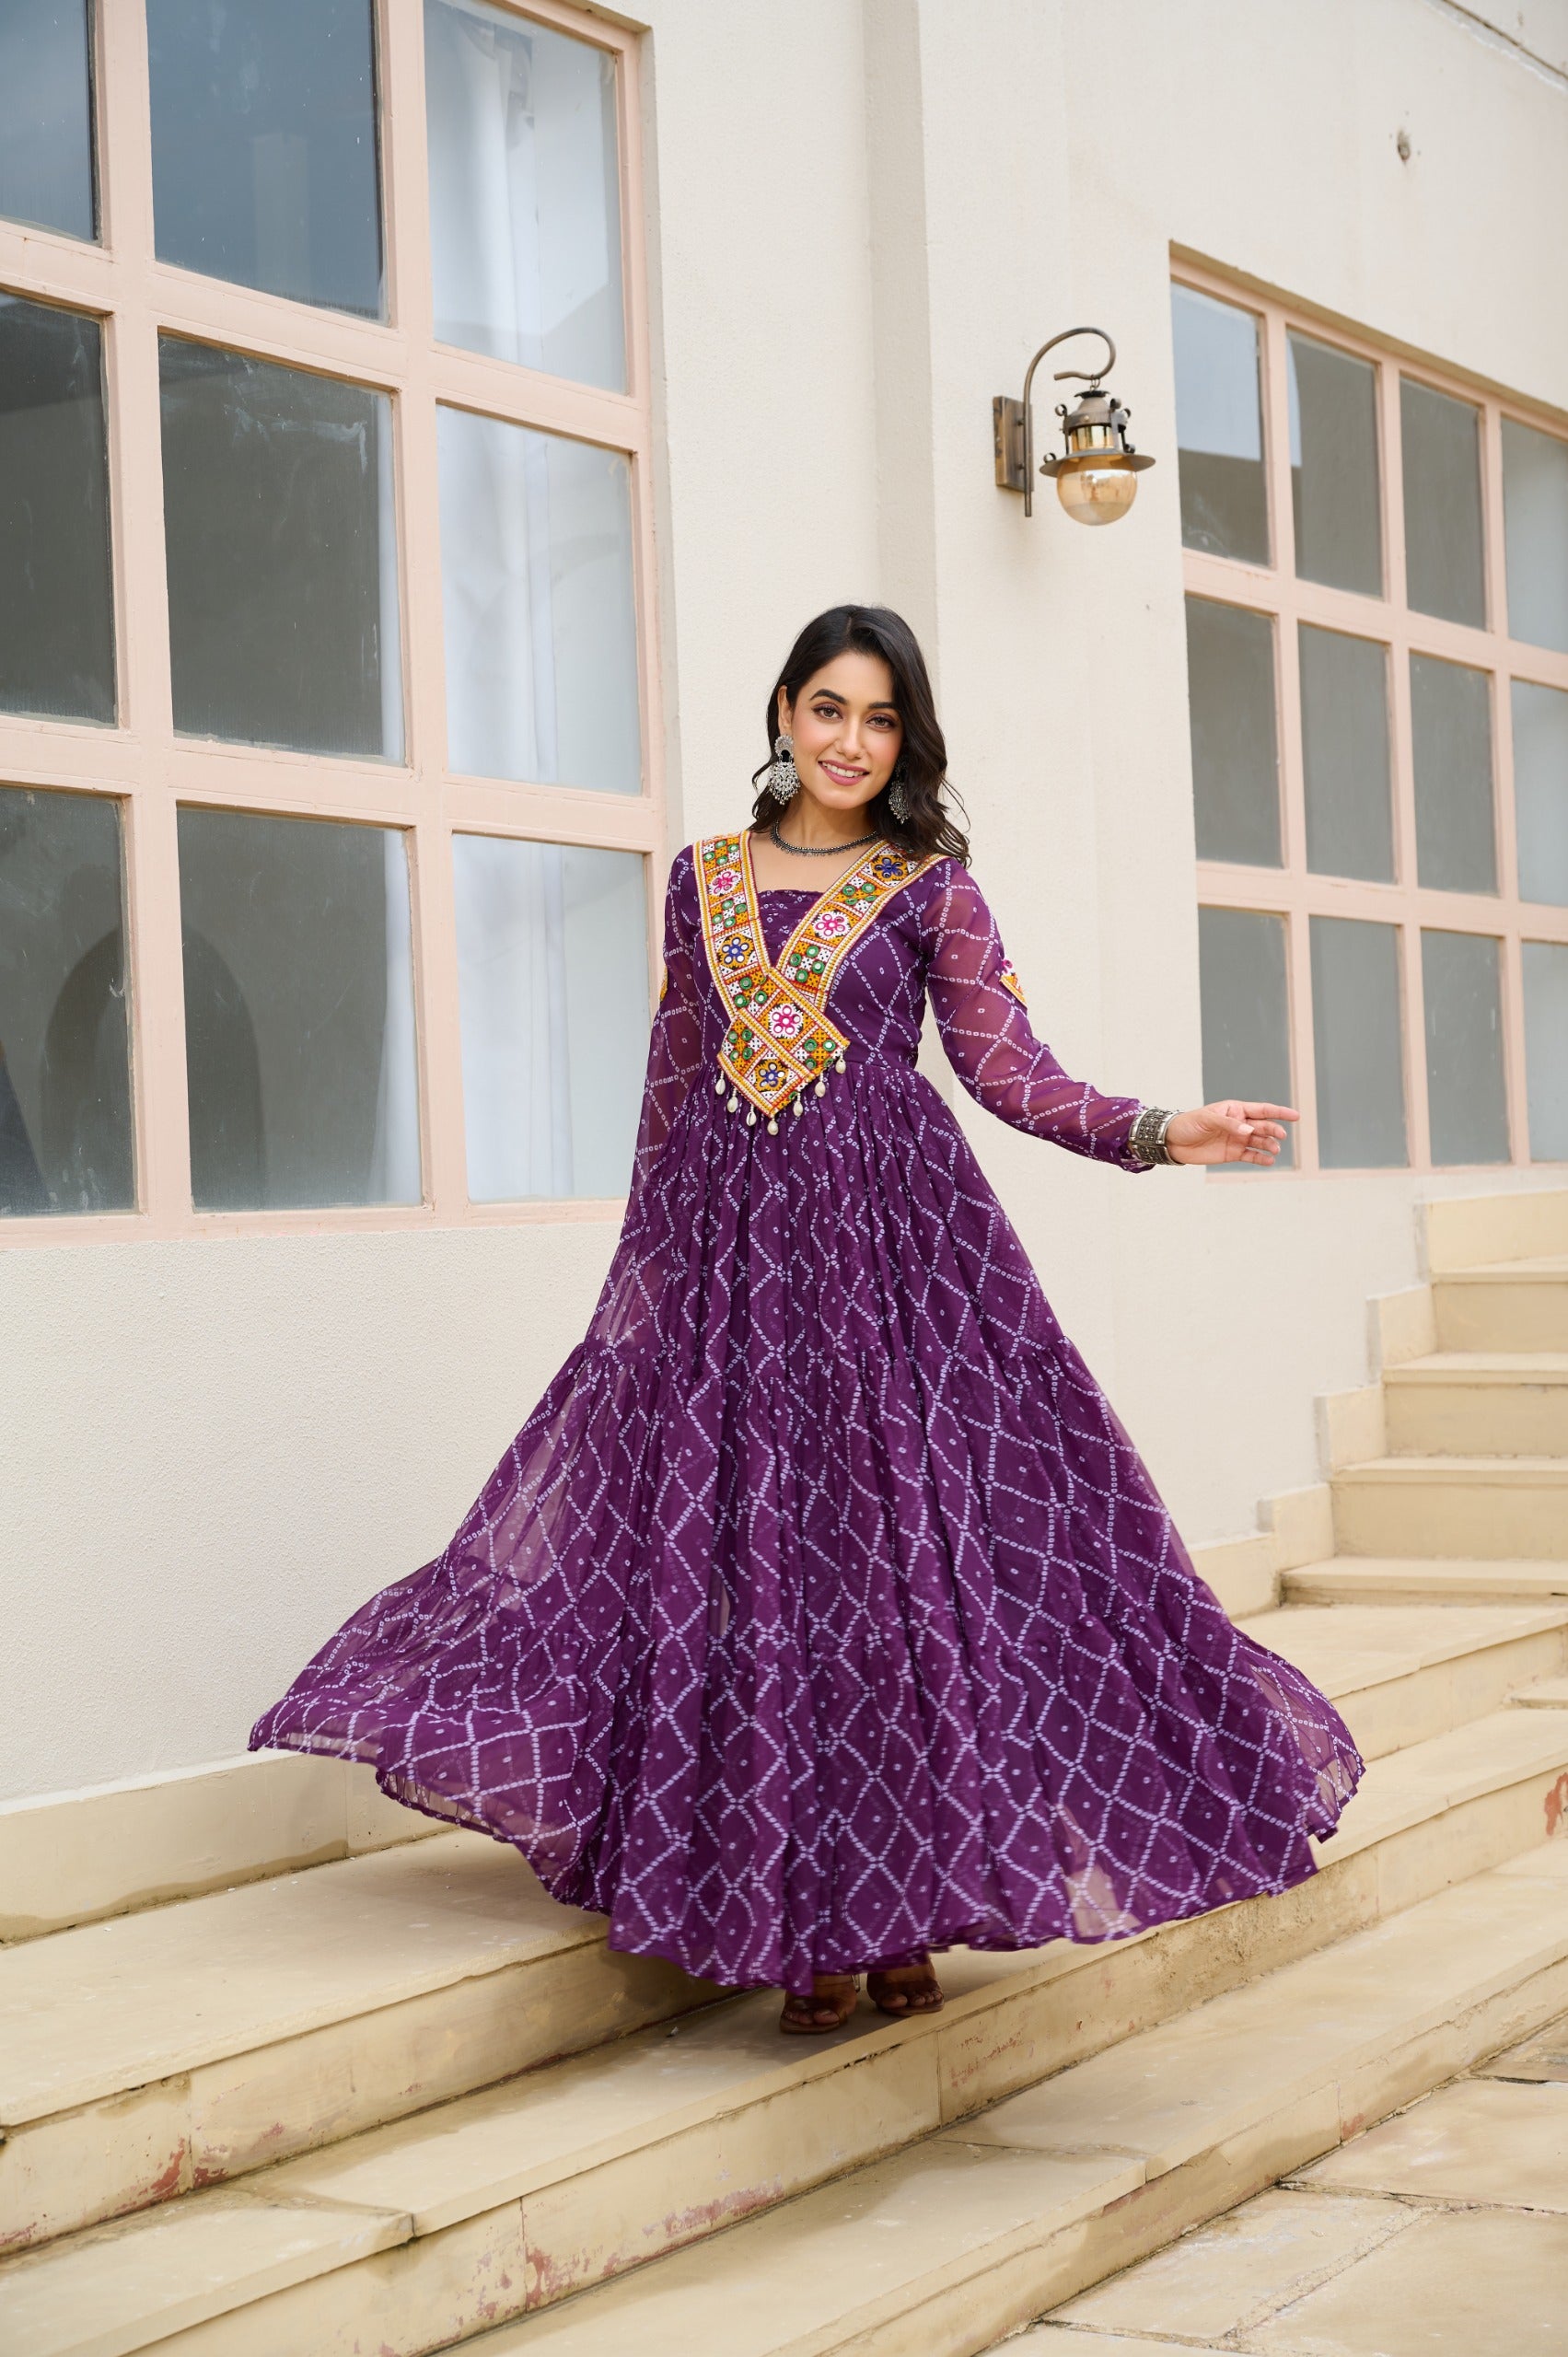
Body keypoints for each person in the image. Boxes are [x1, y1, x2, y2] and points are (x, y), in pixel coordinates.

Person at [251, 604, 1362, 2034]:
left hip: (897, 1273)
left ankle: (904, 1911)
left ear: (907, 739)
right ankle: (804, 1929)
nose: (852, 741)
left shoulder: (931, 887)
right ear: (783, 712)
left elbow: (1011, 1073)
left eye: (882, 718)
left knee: (890, 1584)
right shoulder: (700, 880)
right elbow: (670, 1084)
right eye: (830, 709)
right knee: (758, 1585)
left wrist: (1162, 1126)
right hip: (731, 1279)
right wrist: (647, 1289)